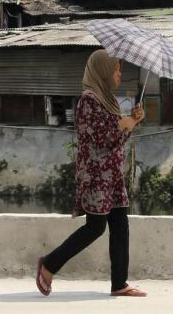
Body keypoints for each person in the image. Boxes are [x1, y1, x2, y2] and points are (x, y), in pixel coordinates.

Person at [36, 50, 147, 298]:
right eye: (117, 69)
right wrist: (125, 123)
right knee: (95, 227)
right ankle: (49, 265)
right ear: (103, 71)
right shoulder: (89, 100)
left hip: (113, 175)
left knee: (120, 226)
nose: (119, 73)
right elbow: (101, 137)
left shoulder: (108, 99)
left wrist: (132, 122)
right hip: (97, 175)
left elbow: (116, 139)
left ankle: (120, 283)